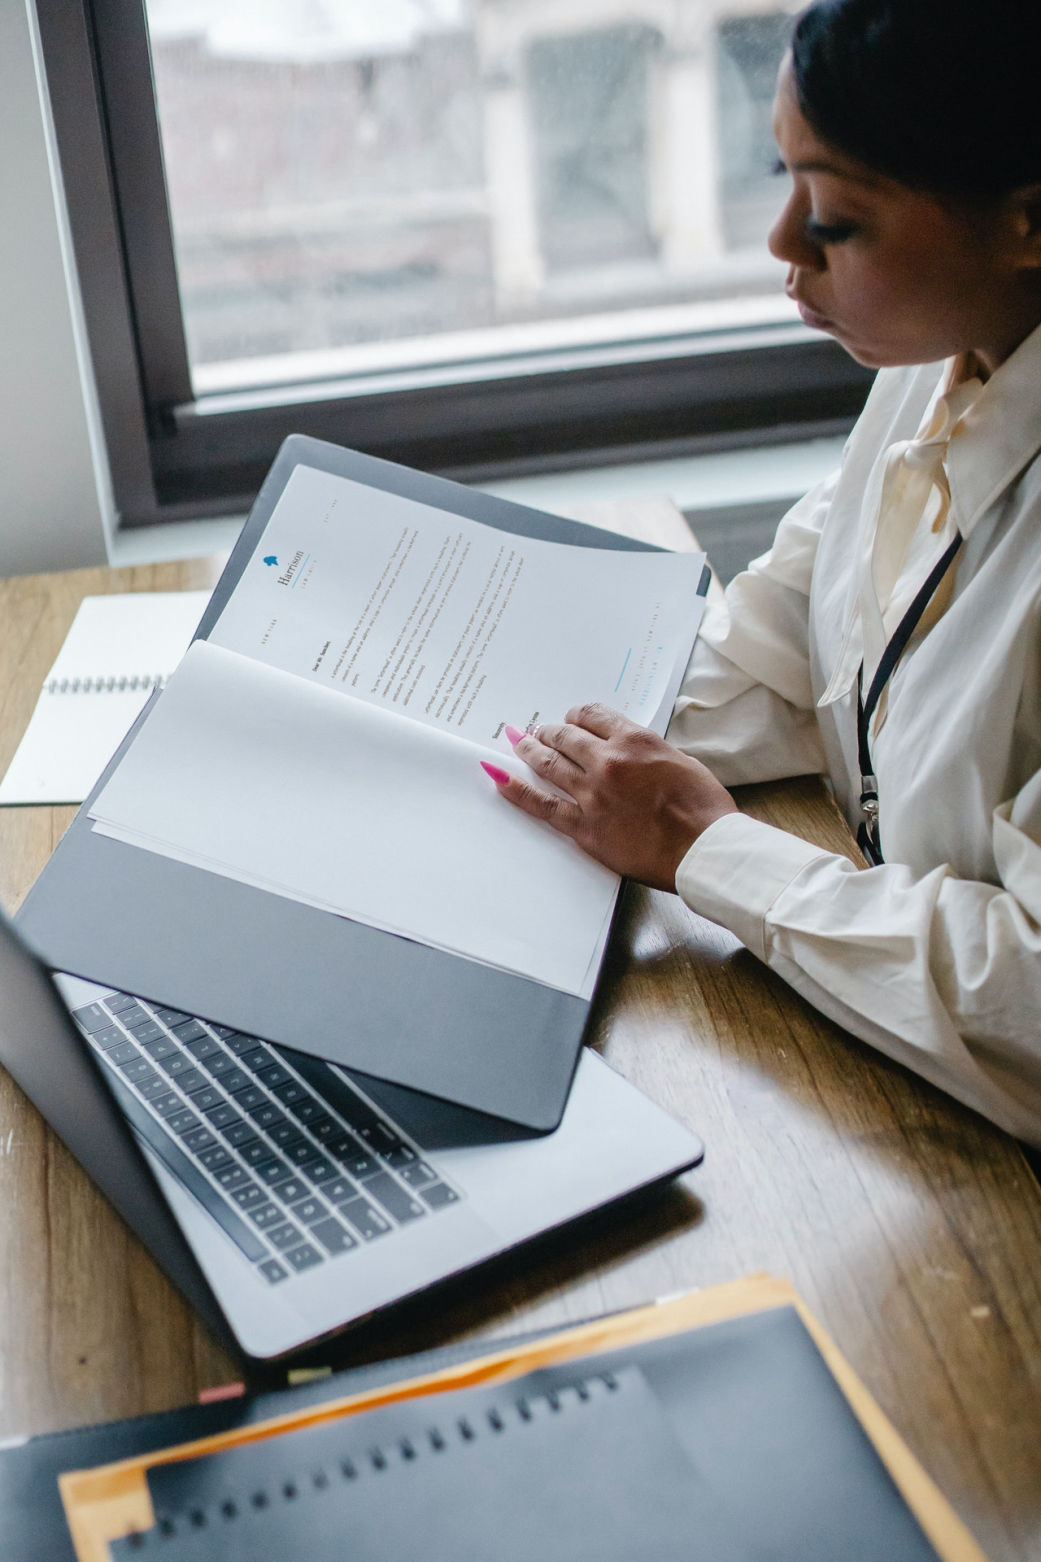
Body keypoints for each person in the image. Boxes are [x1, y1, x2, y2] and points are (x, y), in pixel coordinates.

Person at [482, 0, 1041, 1147]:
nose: (782, 243)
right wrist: (494, 729)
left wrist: (706, 849)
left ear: (1028, 222)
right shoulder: (942, 359)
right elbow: (791, 641)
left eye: (834, 215)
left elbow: (1028, 991)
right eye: (782, 176)